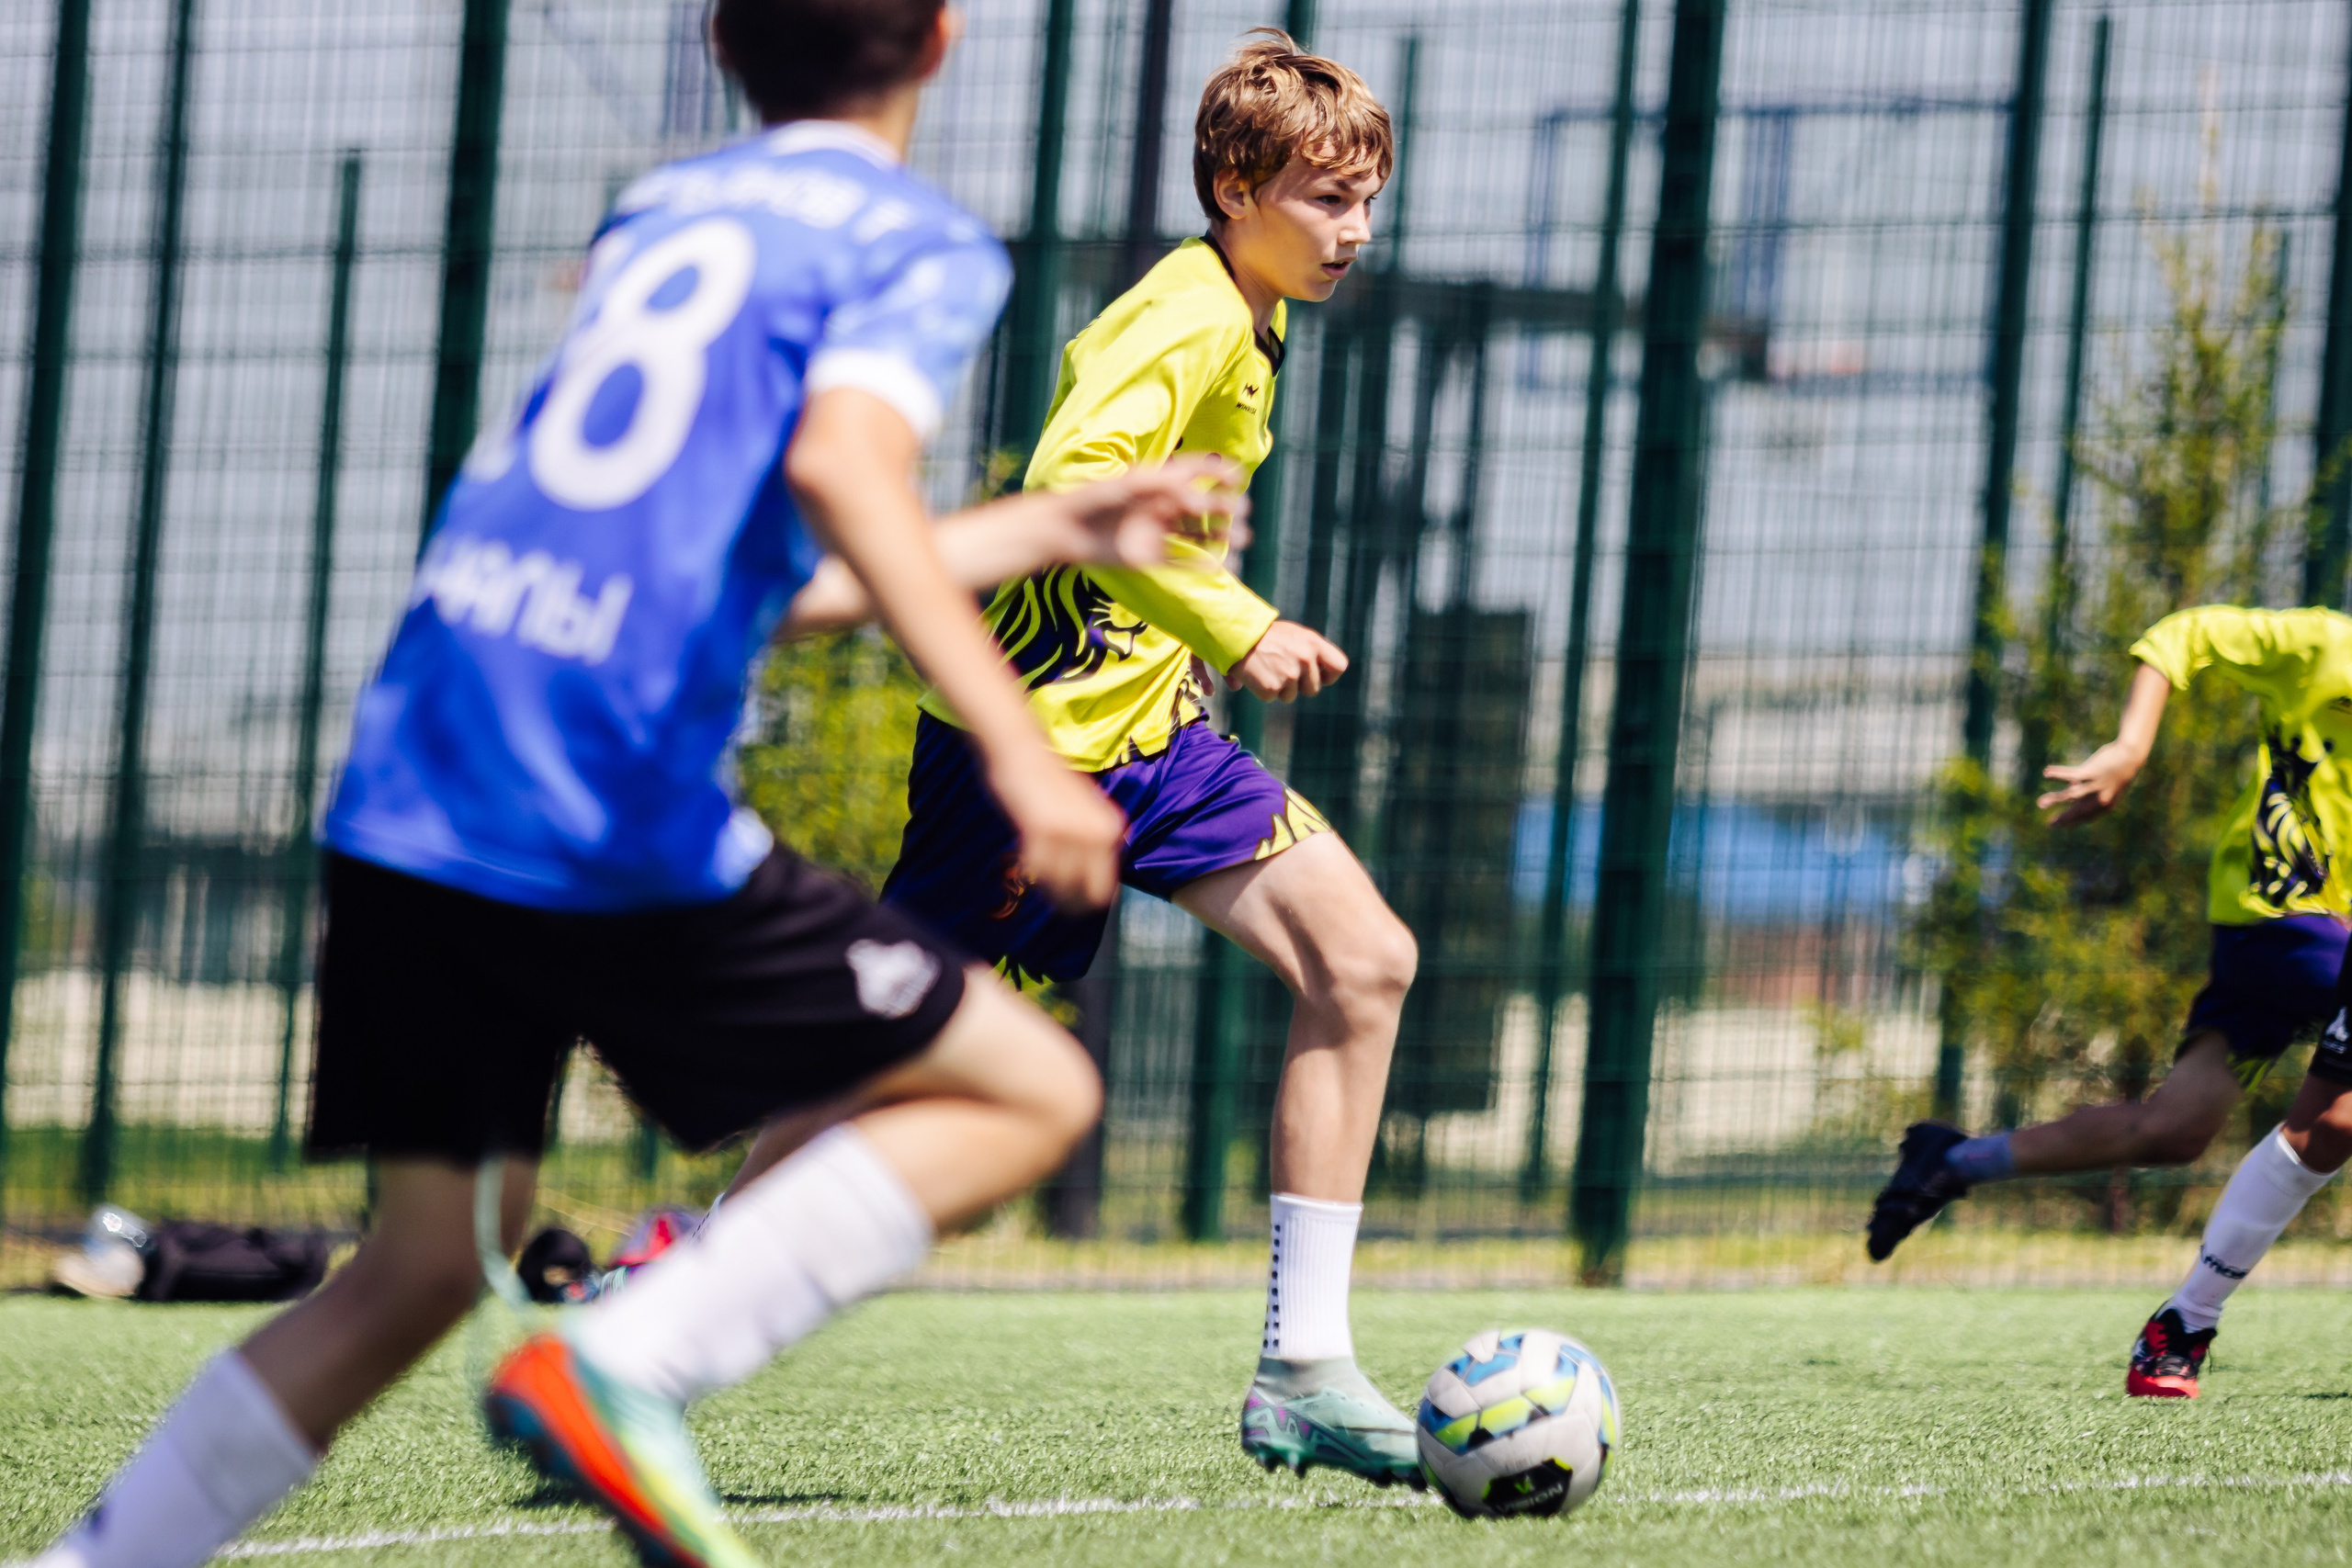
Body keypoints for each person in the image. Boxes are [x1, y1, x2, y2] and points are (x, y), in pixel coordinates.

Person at [27, 1, 1250, 1563]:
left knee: (419, 1268)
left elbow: (763, 576)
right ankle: (626, 1358)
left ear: (730, 45)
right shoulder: (915, 243)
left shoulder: (664, 209)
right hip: (598, 796)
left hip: (420, 761)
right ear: (941, 44)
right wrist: (1019, 742)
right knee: (1032, 1085)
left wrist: (1051, 529)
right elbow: (840, 471)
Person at [850, 30, 1421, 1489]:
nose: (1353, 232)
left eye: (1367, 202)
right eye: (1324, 200)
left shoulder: (1250, 305)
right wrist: (1240, 619)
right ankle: (661, 1292)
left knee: (1363, 962)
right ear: (1235, 186)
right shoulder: (1188, 320)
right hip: (1026, 756)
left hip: (1152, 738)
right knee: (883, 1056)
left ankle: (1303, 1366)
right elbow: (1070, 489)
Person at [1866, 604, 2352, 1397]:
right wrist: (2130, 747)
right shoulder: (2327, 644)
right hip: (2283, 916)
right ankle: (2188, 1319)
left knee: (2174, 1129)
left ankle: (1951, 1160)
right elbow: (2180, 636)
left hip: (2299, 942)